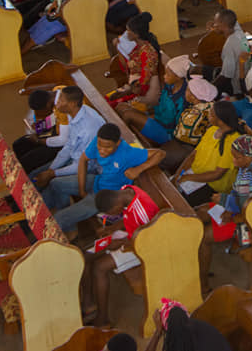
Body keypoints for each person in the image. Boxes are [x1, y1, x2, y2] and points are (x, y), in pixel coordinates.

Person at [48, 123, 163, 234]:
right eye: (100, 145)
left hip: (107, 198)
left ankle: (66, 220)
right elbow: (83, 160)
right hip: (97, 181)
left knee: (57, 219)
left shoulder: (128, 153)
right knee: (55, 184)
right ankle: (70, 225)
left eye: (107, 147)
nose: (102, 150)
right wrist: (82, 190)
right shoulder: (99, 141)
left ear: (117, 143)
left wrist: (138, 170)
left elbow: (160, 153)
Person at [82, 185, 160, 327]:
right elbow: (127, 217)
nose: (111, 215)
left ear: (117, 204)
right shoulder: (127, 191)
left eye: (111, 212)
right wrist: (112, 228)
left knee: (99, 267)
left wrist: (121, 243)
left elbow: (149, 239)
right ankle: (88, 304)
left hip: (142, 246)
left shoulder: (143, 210)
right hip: (131, 234)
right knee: (86, 255)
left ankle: (103, 320)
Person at [33, 86, 107, 194]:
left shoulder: (88, 129)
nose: (57, 102)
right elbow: (69, 145)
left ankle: (52, 206)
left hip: (92, 169)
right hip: (75, 158)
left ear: (72, 104)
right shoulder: (72, 113)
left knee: (55, 183)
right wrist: (50, 170)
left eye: (61, 100)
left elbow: (85, 164)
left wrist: (53, 173)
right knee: (37, 175)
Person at [174, 100, 242, 206]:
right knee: (171, 185)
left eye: (211, 114)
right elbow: (193, 154)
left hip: (212, 184)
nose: (208, 115)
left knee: (180, 201)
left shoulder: (233, 142)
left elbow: (217, 174)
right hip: (195, 173)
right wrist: (179, 173)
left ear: (220, 120)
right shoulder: (212, 130)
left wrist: (188, 178)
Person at [118, 54, 190, 145]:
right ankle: (125, 137)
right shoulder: (169, 86)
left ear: (178, 77)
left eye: (168, 74)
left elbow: (174, 123)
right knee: (121, 106)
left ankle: (120, 142)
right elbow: (160, 107)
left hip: (167, 132)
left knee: (128, 114)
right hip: (158, 120)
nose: (164, 76)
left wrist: (150, 117)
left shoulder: (184, 97)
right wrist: (147, 113)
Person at [12, 89, 63, 173]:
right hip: (55, 132)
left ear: (47, 104)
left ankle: (27, 178)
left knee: (26, 161)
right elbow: (56, 116)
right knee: (18, 144)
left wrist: (38, 140)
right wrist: (40, 126)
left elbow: (63, 140)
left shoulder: (64, 106)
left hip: (61, 143)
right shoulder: (57, 92)